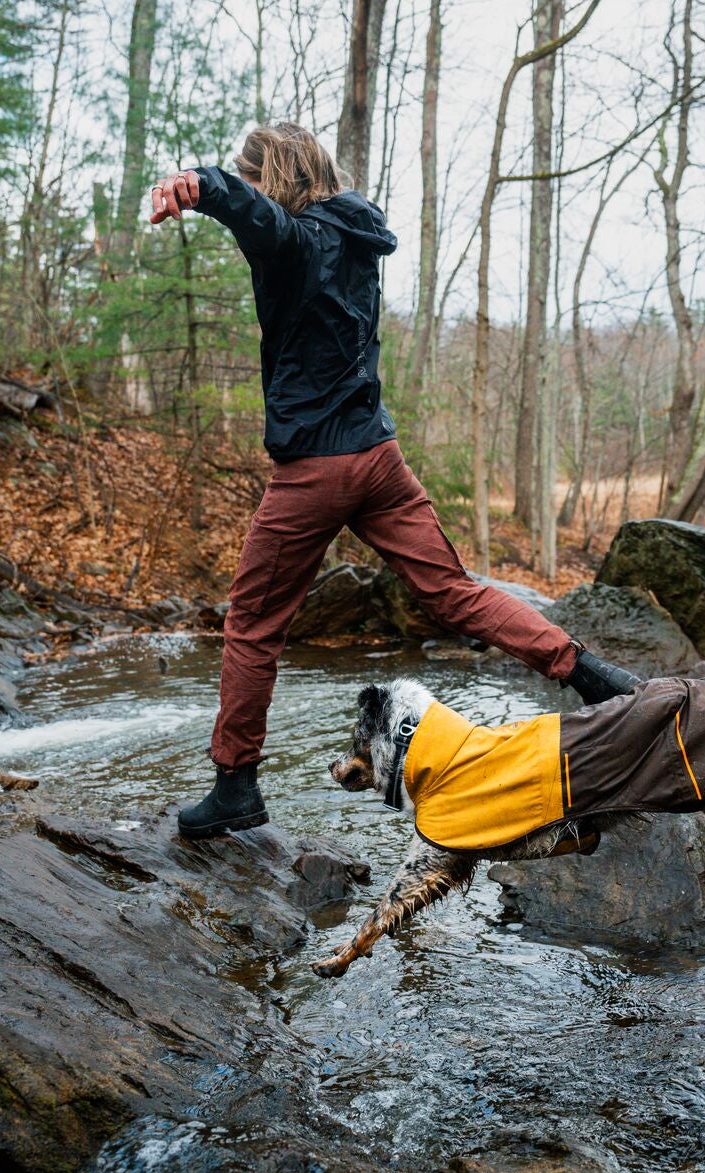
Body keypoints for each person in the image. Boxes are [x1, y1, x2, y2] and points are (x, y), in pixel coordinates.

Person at [148, 122, 641, 838]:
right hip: (380, 458)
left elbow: (251, 214)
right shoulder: (355, 238)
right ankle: (596, 677)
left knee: (252, 627)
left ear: (272, 177)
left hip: (316, 467)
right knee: (456, 592)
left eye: (250, 176)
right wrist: (215, 189)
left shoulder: (295, 240)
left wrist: (201, 187)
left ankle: (235, 785)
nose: (248, 188)